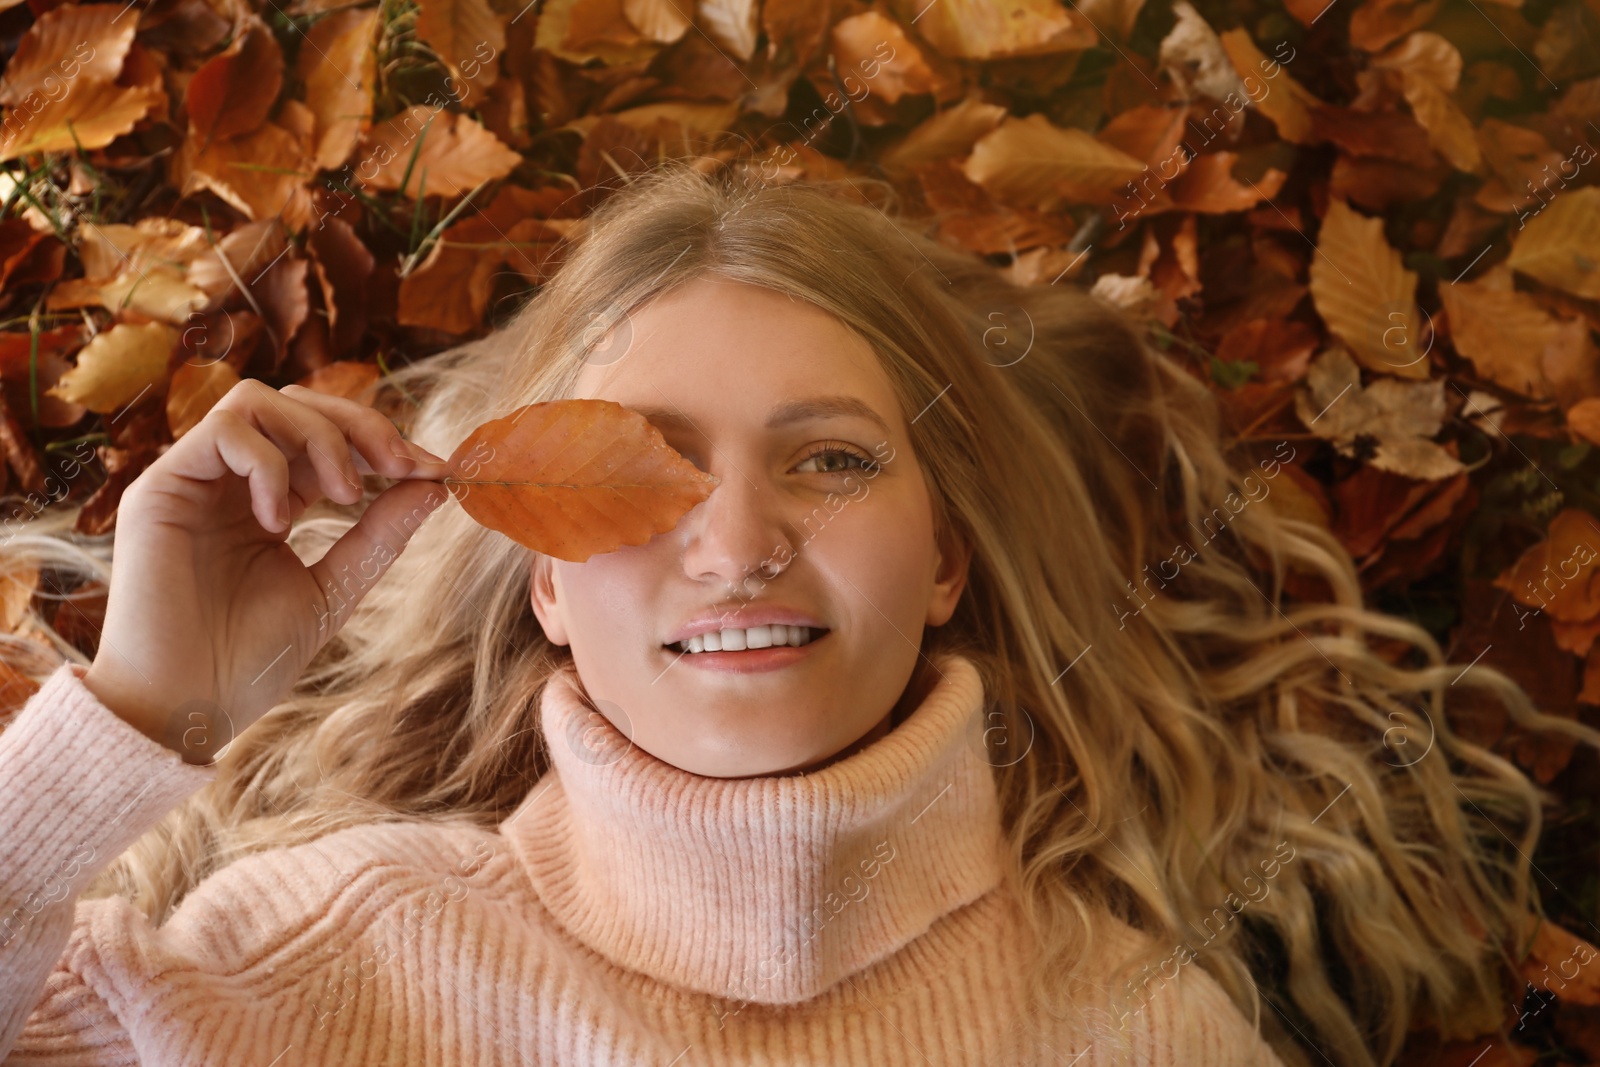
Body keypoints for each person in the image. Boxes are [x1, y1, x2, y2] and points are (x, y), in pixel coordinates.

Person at [0, 162, 1591, 1067]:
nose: (740, 541)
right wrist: (150, 710)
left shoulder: (1144, 1031)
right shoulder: (300, 964)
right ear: (545, 578)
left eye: (829, 459)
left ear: (948, 558)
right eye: (642, 469)